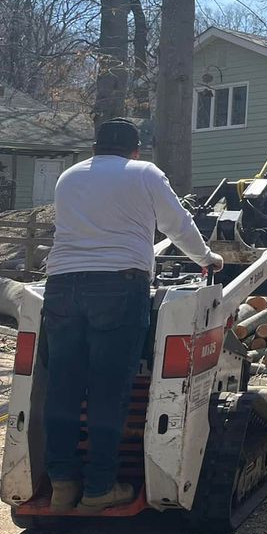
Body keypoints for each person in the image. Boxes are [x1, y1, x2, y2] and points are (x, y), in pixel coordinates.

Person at [42, 118, 224, 513]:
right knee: (108, 386)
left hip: (61, 285)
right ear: (136, 150)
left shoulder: (69, 177)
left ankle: (62, 484)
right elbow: (177, 224)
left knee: (64, 385)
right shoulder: (144, 173)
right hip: (118, 285)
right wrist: (207, 258)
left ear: (96, 148)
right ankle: (99, 488)